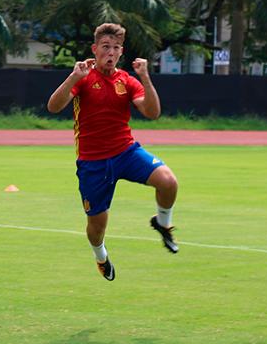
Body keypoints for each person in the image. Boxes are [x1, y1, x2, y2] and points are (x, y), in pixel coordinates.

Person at [47, 23, 179, 281]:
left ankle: (163, 223)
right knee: (97, 227)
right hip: (93, 163)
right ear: (95, 50)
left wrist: (146, 77)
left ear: (121, 52)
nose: (110, 51)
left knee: (169, 182)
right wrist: (73, 76)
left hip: (126, 153)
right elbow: (53, 107)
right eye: (105, 47)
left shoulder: (127, 81)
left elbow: (152, 113)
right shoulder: (83, 77)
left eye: (115, 47)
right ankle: (100, 256)